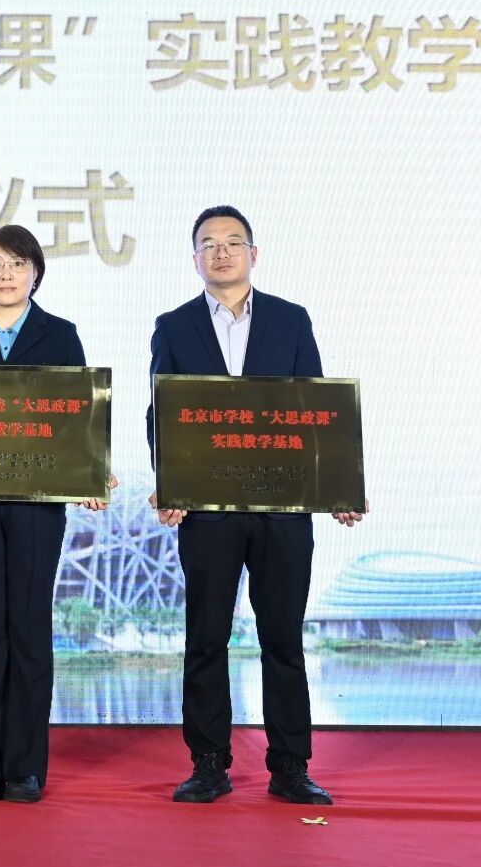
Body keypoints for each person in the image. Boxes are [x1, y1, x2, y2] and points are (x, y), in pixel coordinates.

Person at [147, 205, 366, 807]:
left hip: (282, 512)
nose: (221, 252)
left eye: (232, 242)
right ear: (195, 258)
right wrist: (171, 483)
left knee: (282, 640)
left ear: (253, 253)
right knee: (206, 639)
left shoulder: (291, 320)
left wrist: (336, 488)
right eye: (208, 244)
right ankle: (208, 764)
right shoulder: (174, 326)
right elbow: (161, 414)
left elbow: (315, 412)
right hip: (208, 511)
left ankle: (290, 766)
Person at [0, 225, 112, 804]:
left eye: (16, 263)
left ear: (36, 272)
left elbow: (79, 416)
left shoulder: (61, 335)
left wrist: (91, 471)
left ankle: (27, 767)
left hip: (38, 503)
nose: (5, 274)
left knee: (29, 625)